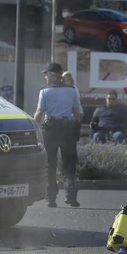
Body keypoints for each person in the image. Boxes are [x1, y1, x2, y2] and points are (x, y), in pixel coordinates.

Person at [34, 62, 82, 208]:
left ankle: (51, 198)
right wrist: (75, 126)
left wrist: (34, 127)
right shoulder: (72, 90)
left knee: (50, 164)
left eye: (46, 74)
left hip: (51, 130)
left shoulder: (44, 92)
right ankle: (71, 196)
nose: (45, 78)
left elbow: (39, 113)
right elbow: (77, 113)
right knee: (69, 164)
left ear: (53, 75)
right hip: (68, 128)